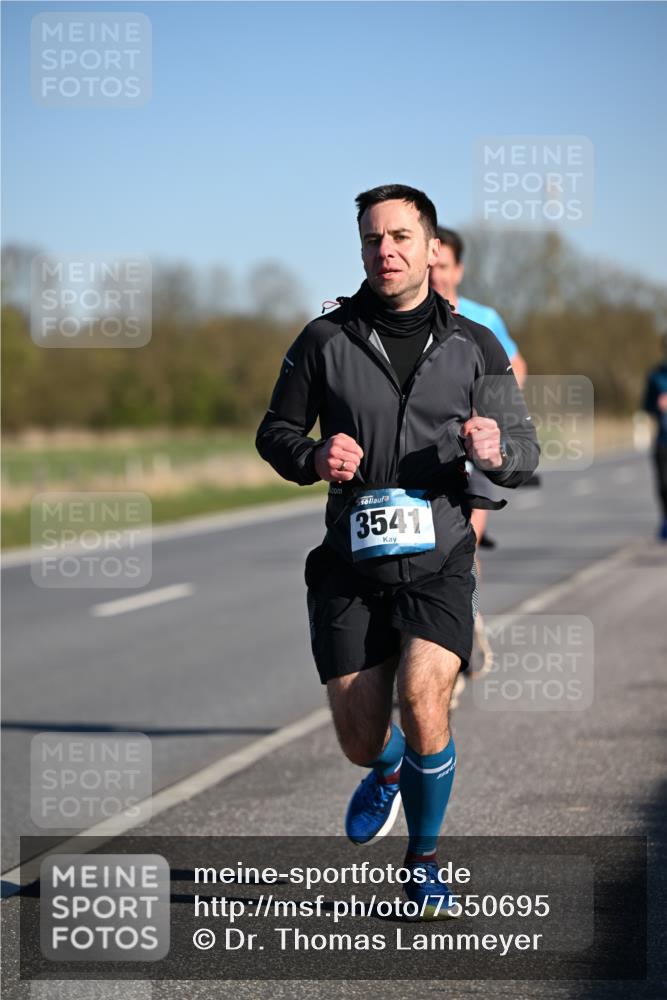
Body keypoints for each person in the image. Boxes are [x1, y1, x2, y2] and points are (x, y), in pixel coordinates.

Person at [256, 184, 539, 919]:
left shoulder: (473, 345)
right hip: (351, 564)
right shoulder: (324, 339)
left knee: (423, 697)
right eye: (372, 240)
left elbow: (524, 451)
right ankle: (383, 771)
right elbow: (273, 433)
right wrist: (315, 457)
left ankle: (423, 864)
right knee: (359, 738)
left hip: (439, 555)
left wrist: (496, 447)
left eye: (399, 238)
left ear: (429, 247)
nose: (385, 250)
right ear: (361, 250)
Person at [430, 227, 528, 551]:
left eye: (443, 267)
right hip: (431, 449)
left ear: (458, 270)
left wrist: (492, 412)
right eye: (430, 266)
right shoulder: (407, 321)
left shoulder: (484, 319)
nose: (435, 275)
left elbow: (518, 367)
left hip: (475, 445)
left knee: (465, 543)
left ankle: (469, 604)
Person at [642, 332, 667, 541]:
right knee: (663, 484)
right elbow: (646, 405)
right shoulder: (656, 376)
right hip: (663, 440)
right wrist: (657, 406)